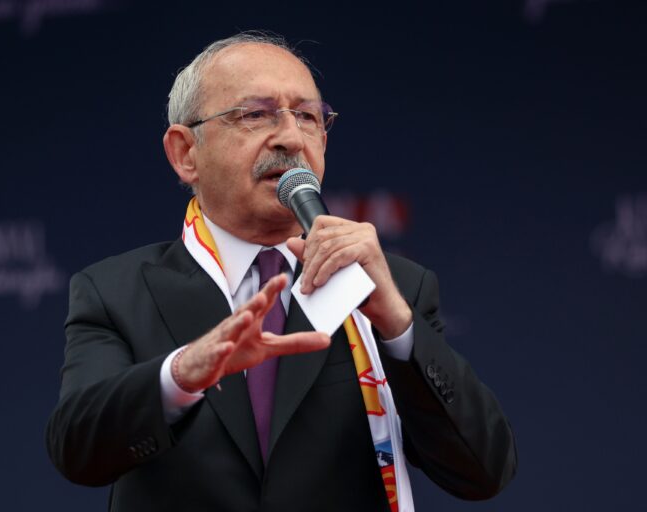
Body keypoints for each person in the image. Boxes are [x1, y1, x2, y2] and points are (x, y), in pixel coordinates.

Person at [46, 32, 517, 511]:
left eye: (308, 117)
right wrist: (182, 374)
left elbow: (482, 471)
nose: (291, 138)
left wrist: (397, 324)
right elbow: (78, 451)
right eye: (256, 114)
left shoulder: (391, 287)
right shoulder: (115, 291)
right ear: (186, 153)